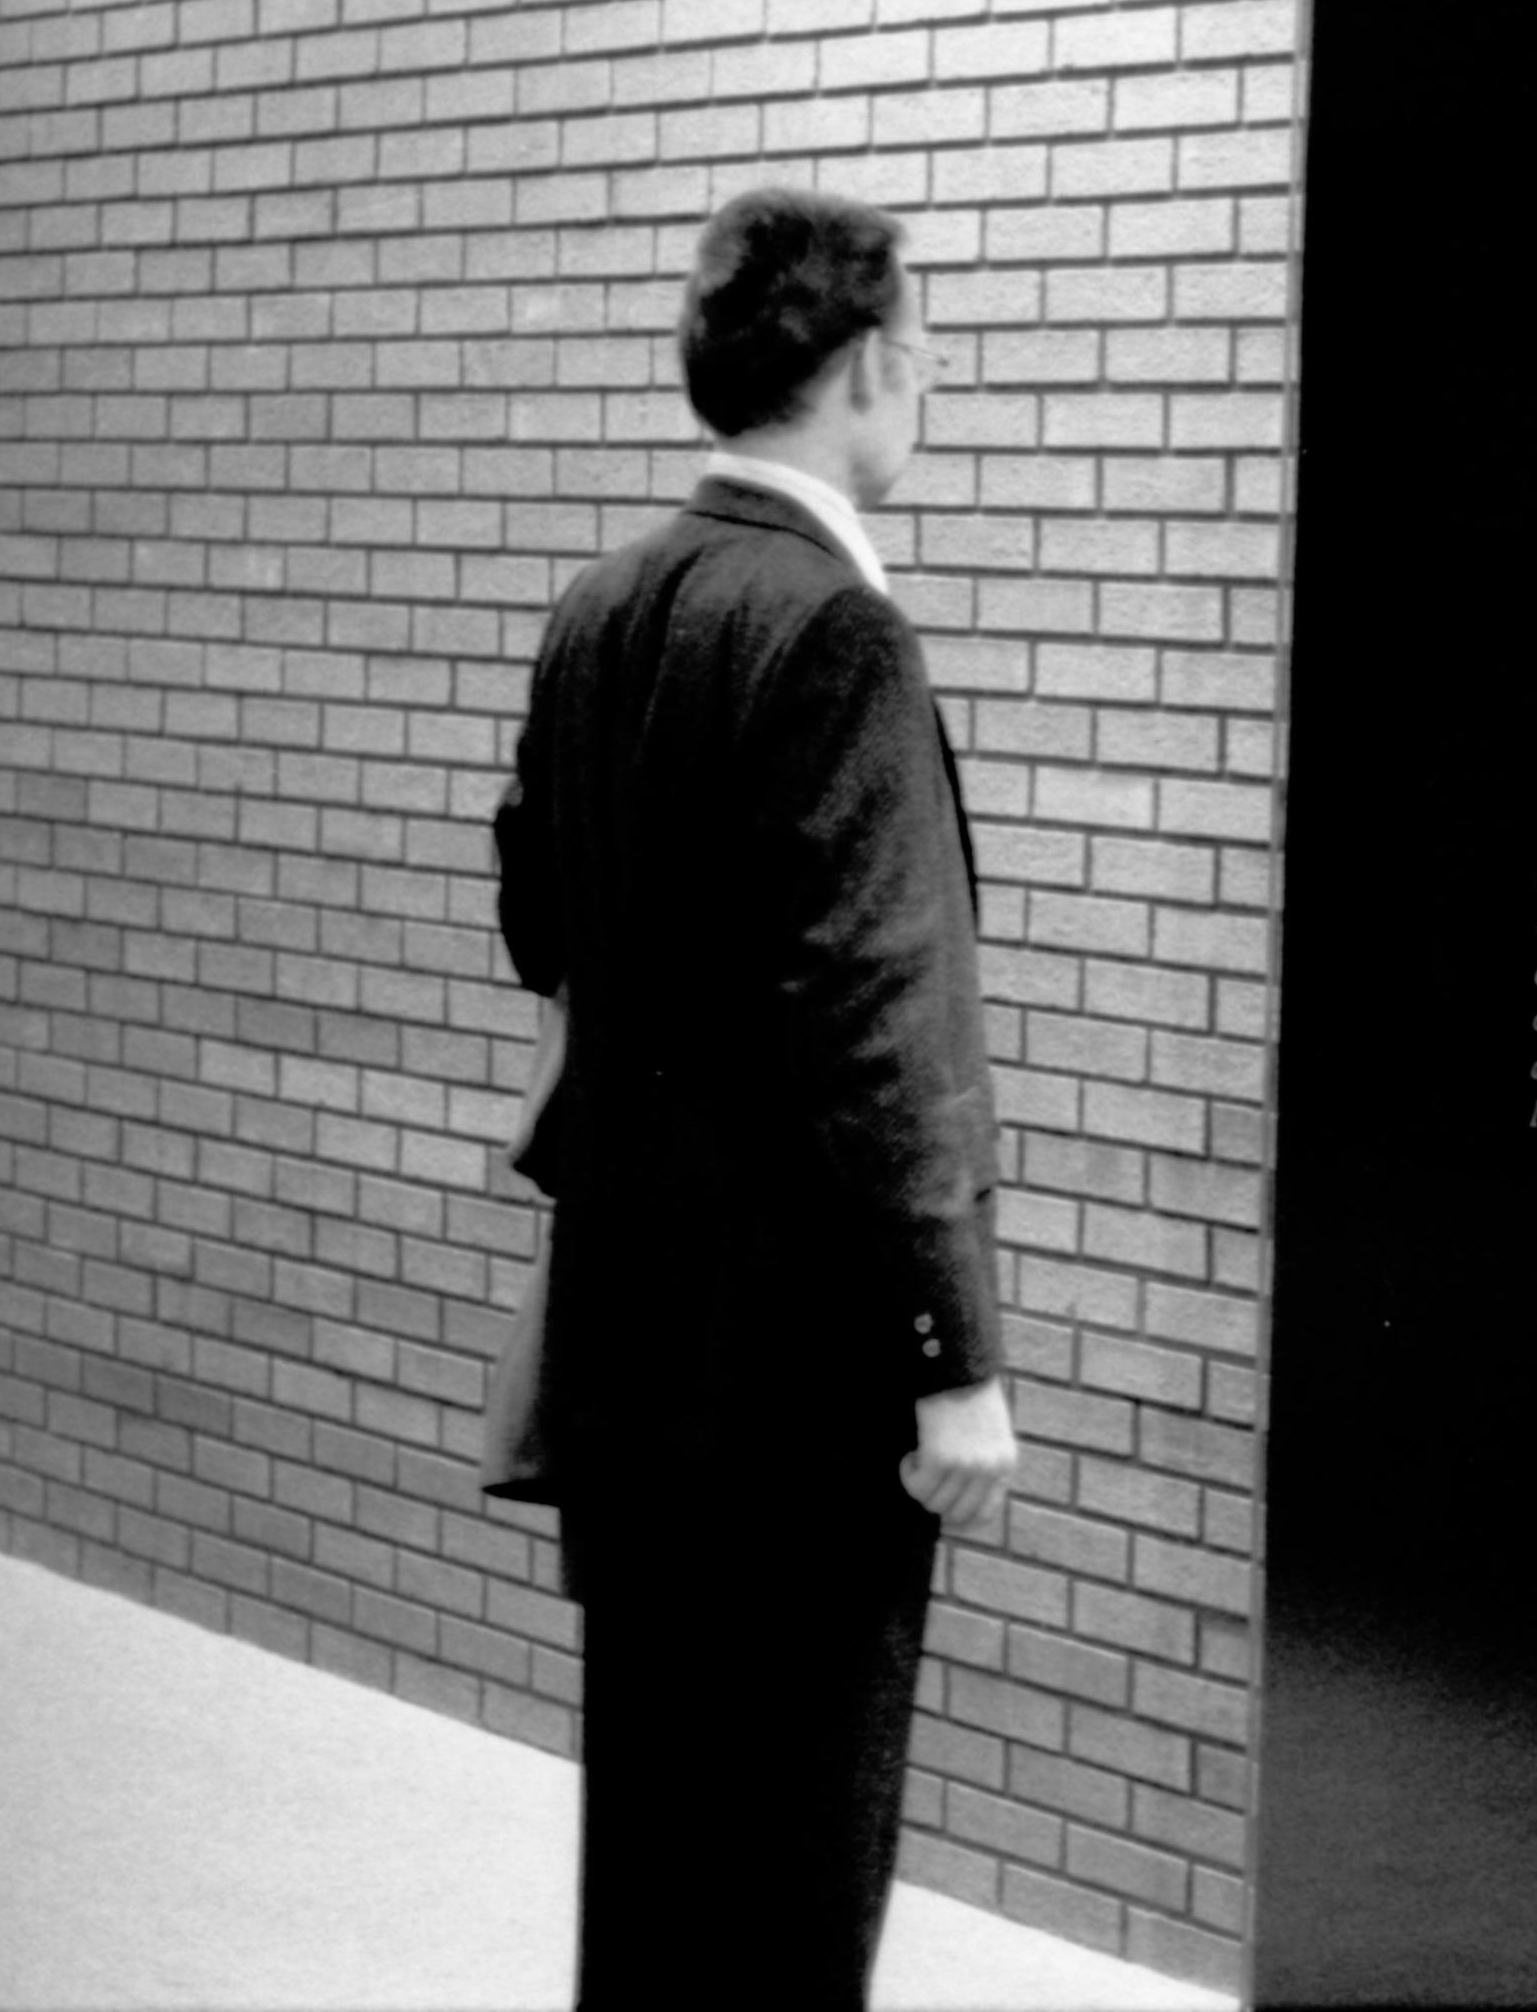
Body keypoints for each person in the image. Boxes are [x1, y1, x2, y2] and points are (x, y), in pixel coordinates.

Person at [483, 187, 1016, 2006]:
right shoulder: (839, 635)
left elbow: (539, 914)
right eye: (922, 347)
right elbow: (883, 1030)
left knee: (653, 1886)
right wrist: (956, 1356)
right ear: (868, 364)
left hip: (629, 1365)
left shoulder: (603, 603)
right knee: (789, 1910)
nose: (925, 380)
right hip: (797, 1403)